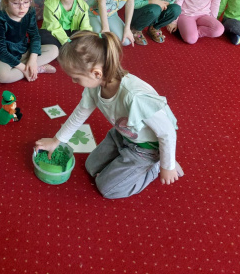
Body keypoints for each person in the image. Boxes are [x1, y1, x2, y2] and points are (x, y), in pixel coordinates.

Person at [35, 31, 183, 199]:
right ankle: (124, 159)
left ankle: (155, 166)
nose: (73, 82)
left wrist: (167, 166)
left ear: (96, 73)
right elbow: (79, 114)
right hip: (121, 135)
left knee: (107, 188)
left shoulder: (135, 97)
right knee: (91, 167)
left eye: (76, 78)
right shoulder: (95, 86)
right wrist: (56, 141)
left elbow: (167, 132)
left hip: (145, 150)